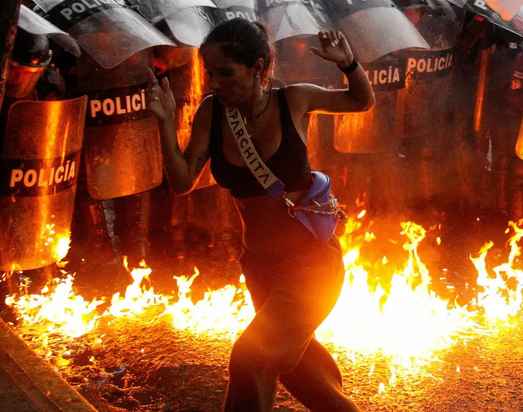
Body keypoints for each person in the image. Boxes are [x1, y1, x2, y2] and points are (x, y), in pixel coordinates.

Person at [148, 18, 374, 412]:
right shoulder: (212, 111)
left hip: (312, 264)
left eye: (225, 73)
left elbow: (361, 101)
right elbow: (182, 180)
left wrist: (349, 64)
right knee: (297, 367)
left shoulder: (295, 100)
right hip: (260, 267)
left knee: (251, 356)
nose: (215, 83)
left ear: (258, 67)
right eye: (210, 74)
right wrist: (166, 122)